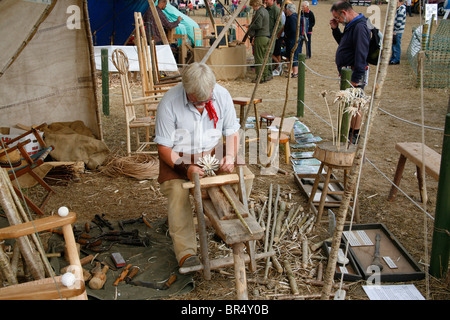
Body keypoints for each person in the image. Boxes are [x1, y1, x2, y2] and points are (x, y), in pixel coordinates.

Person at [154, 62, 241, 268]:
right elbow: (164, 148)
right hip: (178, 157)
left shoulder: (222, 95)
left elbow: (232, 131)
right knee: (177, 193)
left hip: (212, 152)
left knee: (241, 177)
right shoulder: (169, 103)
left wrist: (228, 155)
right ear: (186, 89)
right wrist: (186, 168)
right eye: (196, 101)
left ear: (212, 88)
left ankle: (226, 231)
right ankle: (186, 253)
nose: (202, 104)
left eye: (206, 99)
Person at [329, 1, 370, 142]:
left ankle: (354, 135)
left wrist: (356, 78)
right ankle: (348, 133)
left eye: (338, 18)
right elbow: (344, 44)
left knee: (356, 104)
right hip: (348, 72)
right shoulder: (350, 25)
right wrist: (335, 30)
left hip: (355, 73)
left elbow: (361, 54)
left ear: (344, 13)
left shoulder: (359, 27)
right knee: (350, 103)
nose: (338, 21)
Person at [243, 0, 271, 83]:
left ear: (255, 4)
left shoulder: (259, 12)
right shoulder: (265, 11)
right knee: (264, 58)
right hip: (266, 36)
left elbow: (258, 25)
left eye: (252, 6)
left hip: (261, 37)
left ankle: (259, 77)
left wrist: (249, 26)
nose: (253, 8)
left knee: (259, 58)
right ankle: (265, 75)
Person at [284, 2, 307, 78]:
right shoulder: (295, 16)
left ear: (289, 10)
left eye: (286, 9)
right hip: (292, 39)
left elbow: (294, 30)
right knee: (291, 55)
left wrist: (287, 35)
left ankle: (295, 72)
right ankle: (291, 71)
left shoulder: (292, 18)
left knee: (293, 56)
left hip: (292, 40)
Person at [265, 0, 282, 73]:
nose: (265, 1)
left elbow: (280, 25)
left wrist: (274, 35)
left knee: (269, 54)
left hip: (271, 36)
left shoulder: (276, 10)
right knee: (266, 53)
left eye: (267, 0)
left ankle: (269, 72)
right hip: (265, 35)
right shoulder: (266, 10)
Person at [390, 0, 406, 65]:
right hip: (396, 31)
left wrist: (395, 31)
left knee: (396, 45)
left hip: (397, 31)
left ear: (400, 2)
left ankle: (396, 59)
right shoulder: (398, 9)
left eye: (396, 3)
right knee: (394, 45)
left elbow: (399, 22)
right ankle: (393, 58)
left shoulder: (401, 10)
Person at [272, 0, 286, 76]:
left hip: (279, 37)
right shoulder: (278, 13)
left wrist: (277, 36)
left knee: (277, 53)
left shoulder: (281, 14)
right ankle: (278, 66)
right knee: (276, 52)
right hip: (278, 36)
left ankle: (278, 66)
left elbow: (282, 26)